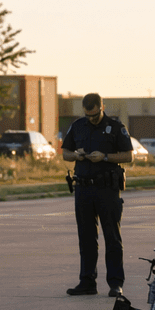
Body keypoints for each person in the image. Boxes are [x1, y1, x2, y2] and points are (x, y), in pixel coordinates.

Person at [60, 93, 133, 297]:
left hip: (107, 189)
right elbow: (65, 151)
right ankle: (87, 281)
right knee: (86, 237)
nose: (91, 119)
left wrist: (105, 157)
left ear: (102, 107)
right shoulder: (78, 126)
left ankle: (115, 283)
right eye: (87, 115)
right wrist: (76, 155)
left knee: (112, 236)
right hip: (83, 189)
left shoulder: (115, 127)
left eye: (95, 115)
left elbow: (128, 156)